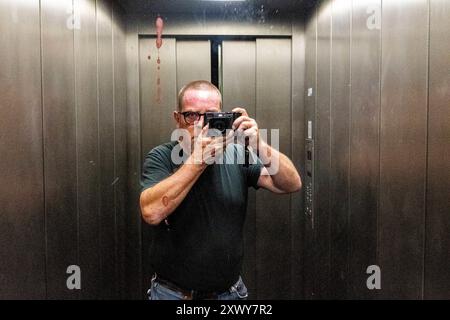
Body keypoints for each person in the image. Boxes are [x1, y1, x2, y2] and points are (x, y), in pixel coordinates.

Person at [140, 80, 302, 300]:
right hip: (173, 294)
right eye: (192, 116)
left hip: (230, 293)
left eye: (210, 117)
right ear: (177, 119)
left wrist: (259, 145)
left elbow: (291, 183)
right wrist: (198, 161)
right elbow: (151, 212)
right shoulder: (162, 157)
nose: (201, 125)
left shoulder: (237, 155)